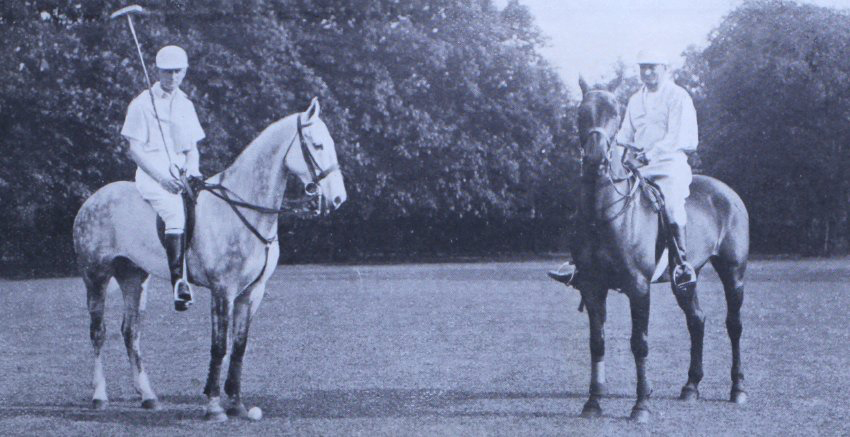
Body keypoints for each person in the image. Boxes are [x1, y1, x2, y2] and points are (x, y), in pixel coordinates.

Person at [549, 49, 698, 290]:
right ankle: (581, 265)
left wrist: (649, 154)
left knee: (671, 203)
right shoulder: (636, 99)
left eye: (652, 66)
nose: (647, 72)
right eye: (643, 67)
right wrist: (609, 149)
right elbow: (625, 134)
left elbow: (677, 137)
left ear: (664, 68)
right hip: (639, 165)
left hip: (669, 165)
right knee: (597, 197)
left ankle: (681, 264)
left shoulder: (677, 96)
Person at [120, 45, 205, 311]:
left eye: (177, 71)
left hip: (180, 174)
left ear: (185, 72)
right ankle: (179, 282)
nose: (172, 77)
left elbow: (192, 148)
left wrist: (193, 172)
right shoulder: (142, 103)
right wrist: (161, 179)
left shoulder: (186, 104)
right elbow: (133, 149)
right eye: (167, 71)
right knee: (174, 212)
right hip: (151, 174)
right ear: (157, 71)